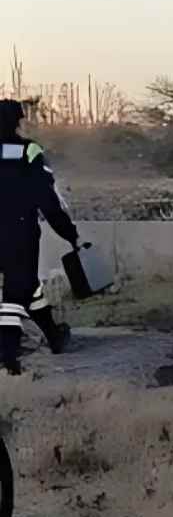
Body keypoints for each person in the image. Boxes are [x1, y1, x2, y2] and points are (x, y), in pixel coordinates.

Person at [1, 100, 78, 374]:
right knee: (15, 292)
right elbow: (48, 198)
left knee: (28, 285)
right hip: (18, 232)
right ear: (18, 122)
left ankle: (54, 335)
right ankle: (8, 357)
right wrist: (69, 233)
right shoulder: (28, 151)